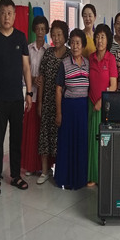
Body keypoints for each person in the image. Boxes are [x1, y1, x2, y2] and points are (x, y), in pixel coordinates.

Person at [0, 0, 33, 196]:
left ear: (14, 15)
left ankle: (15, 175)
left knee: (16, 138)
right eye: (3, 13)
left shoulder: (20, 38)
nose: (6, 17)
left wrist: (29, 93)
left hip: (17, 98)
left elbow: (26, 68)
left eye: (10, 13)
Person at [55, 28, 90, 190]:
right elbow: (58, 90)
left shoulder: (88, 64)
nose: (75, 46)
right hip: (68, 108)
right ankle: (65, 178)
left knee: (81, 143)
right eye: (73, 43)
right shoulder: (64, 64)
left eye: (78, 43)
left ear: (83, 45)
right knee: (67, 144)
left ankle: (80, 178)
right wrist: (59, 113)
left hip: (83, 109)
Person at [37, 20, 71, 179]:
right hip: (47, 101)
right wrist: (40, 102)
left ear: (65, 36)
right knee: (45, 136)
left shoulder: (69, 55)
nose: (56, 38)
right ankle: (45, 171)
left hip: (64, 103)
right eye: (54, 35)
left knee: (61, 138)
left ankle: (60, 170)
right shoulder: (48, 53)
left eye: (59, 35)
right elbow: (42, 78)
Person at [87, 24, 117, 186]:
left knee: (104, 141)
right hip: (90, 105)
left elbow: (113, 85)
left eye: (103, 37)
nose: (99, 40)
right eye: (97, 37)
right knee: (92, 140)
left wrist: (101, 100)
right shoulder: (90, 58)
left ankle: (103, 175)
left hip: (105, 107)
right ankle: (92, 175)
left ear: (108, 40)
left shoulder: (110, 59)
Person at [21, 15, 50, 183]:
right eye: (38, 29)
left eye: (43, 29)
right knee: (31, 132)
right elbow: (22, 73)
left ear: (46, 31)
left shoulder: (49, 50)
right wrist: (33, 79)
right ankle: (31, 166)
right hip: (31, 96)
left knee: (42, 133)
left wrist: (43, 80)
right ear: (34, 30)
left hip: (45, 97)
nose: (40, 32)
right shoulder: (28, 49)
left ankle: (43, 167)